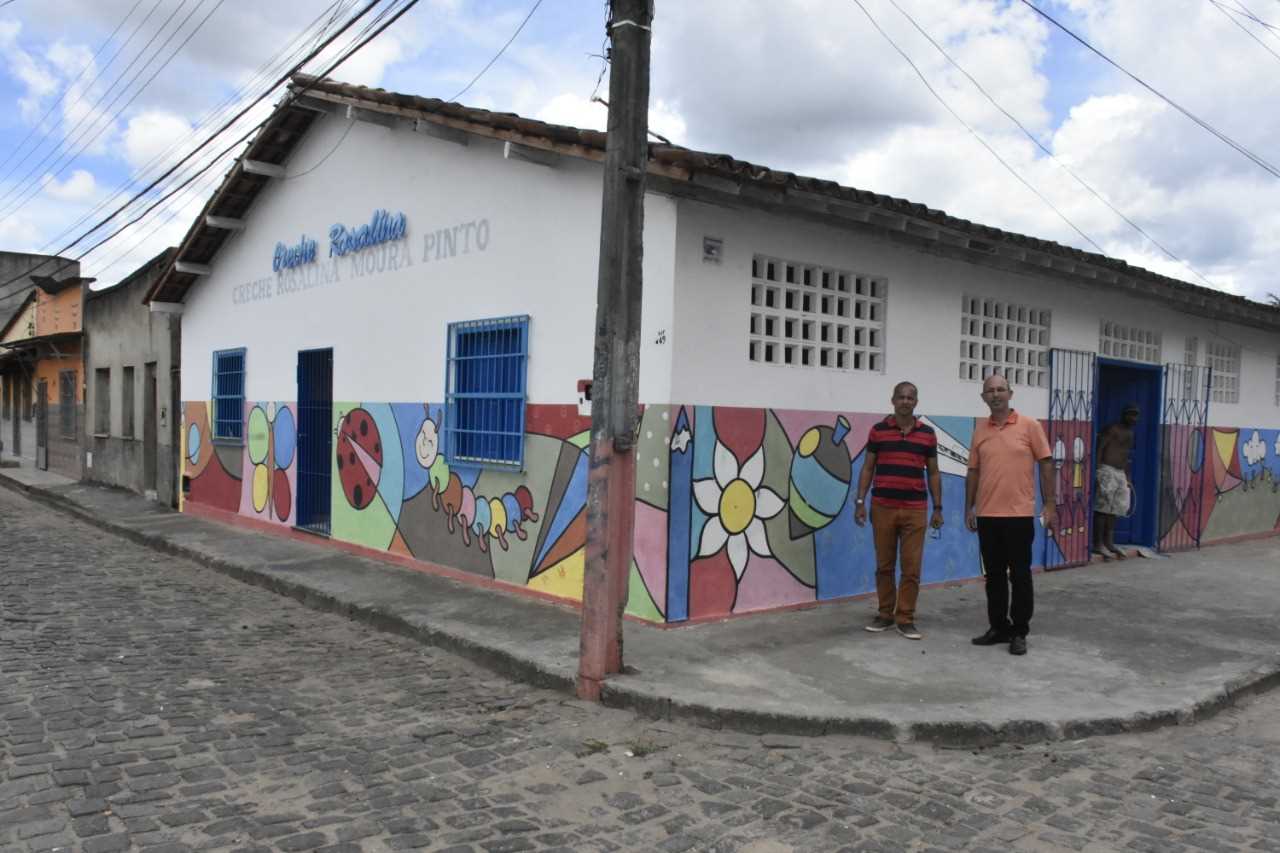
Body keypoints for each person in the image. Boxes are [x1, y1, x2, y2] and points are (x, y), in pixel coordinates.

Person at [965, 373, 1056, 656]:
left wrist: (1050, 503)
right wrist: (970, 507)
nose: (995, 394)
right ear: (983, 397)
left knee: (1019, 575)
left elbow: (1046, 464)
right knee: (993, 576)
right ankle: (998, 628)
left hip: (1018, 515)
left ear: (1010, 393)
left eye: (1000, 389)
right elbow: (974, 471)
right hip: (988, 515)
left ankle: (1019, 632)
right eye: (990, 391)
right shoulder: (980, 430)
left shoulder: (1030, 426)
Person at [854, 381, 943, 640]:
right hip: (882, 507)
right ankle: (884, 615)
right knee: (884, 566)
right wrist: (860, 502)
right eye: (901, 397)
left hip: (916, 510)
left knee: (911, 568)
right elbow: (868, 468)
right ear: (892, 400)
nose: (905, 401)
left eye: (910, 397)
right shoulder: (878, 432)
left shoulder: (927, 434)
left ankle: (905, 617)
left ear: (916, 402)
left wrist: (938, 508)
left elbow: (934, 473)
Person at [1093, 404, 1139, 560]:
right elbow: (1100, 448)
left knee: (1116, 509)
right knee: (1102, 508)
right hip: (1106, 470)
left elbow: (1126, 455)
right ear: (1123, 415)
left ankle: (1109, 542)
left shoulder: (1130, 433)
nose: (1133, 418)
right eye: (1131, 415)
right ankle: (1098, 543)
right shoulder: (1112, 429)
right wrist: (1097, 470)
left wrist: (1128, 477)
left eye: (1136, 415)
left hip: (1120, 473)